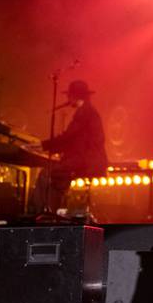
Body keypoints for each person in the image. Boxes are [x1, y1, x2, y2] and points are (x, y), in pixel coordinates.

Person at [32, 79, 108, 215]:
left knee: (46, 174)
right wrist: (46, 146)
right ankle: (50, 212)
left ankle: (42, 214)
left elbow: (68, 137)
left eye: (69, 96)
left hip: (86, 161)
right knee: (55, 175)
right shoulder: (87, 111)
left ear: (74, 96)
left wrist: (43, 145)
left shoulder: (85, 113)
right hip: (86, 159)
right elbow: (72, 140)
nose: (67, 99)